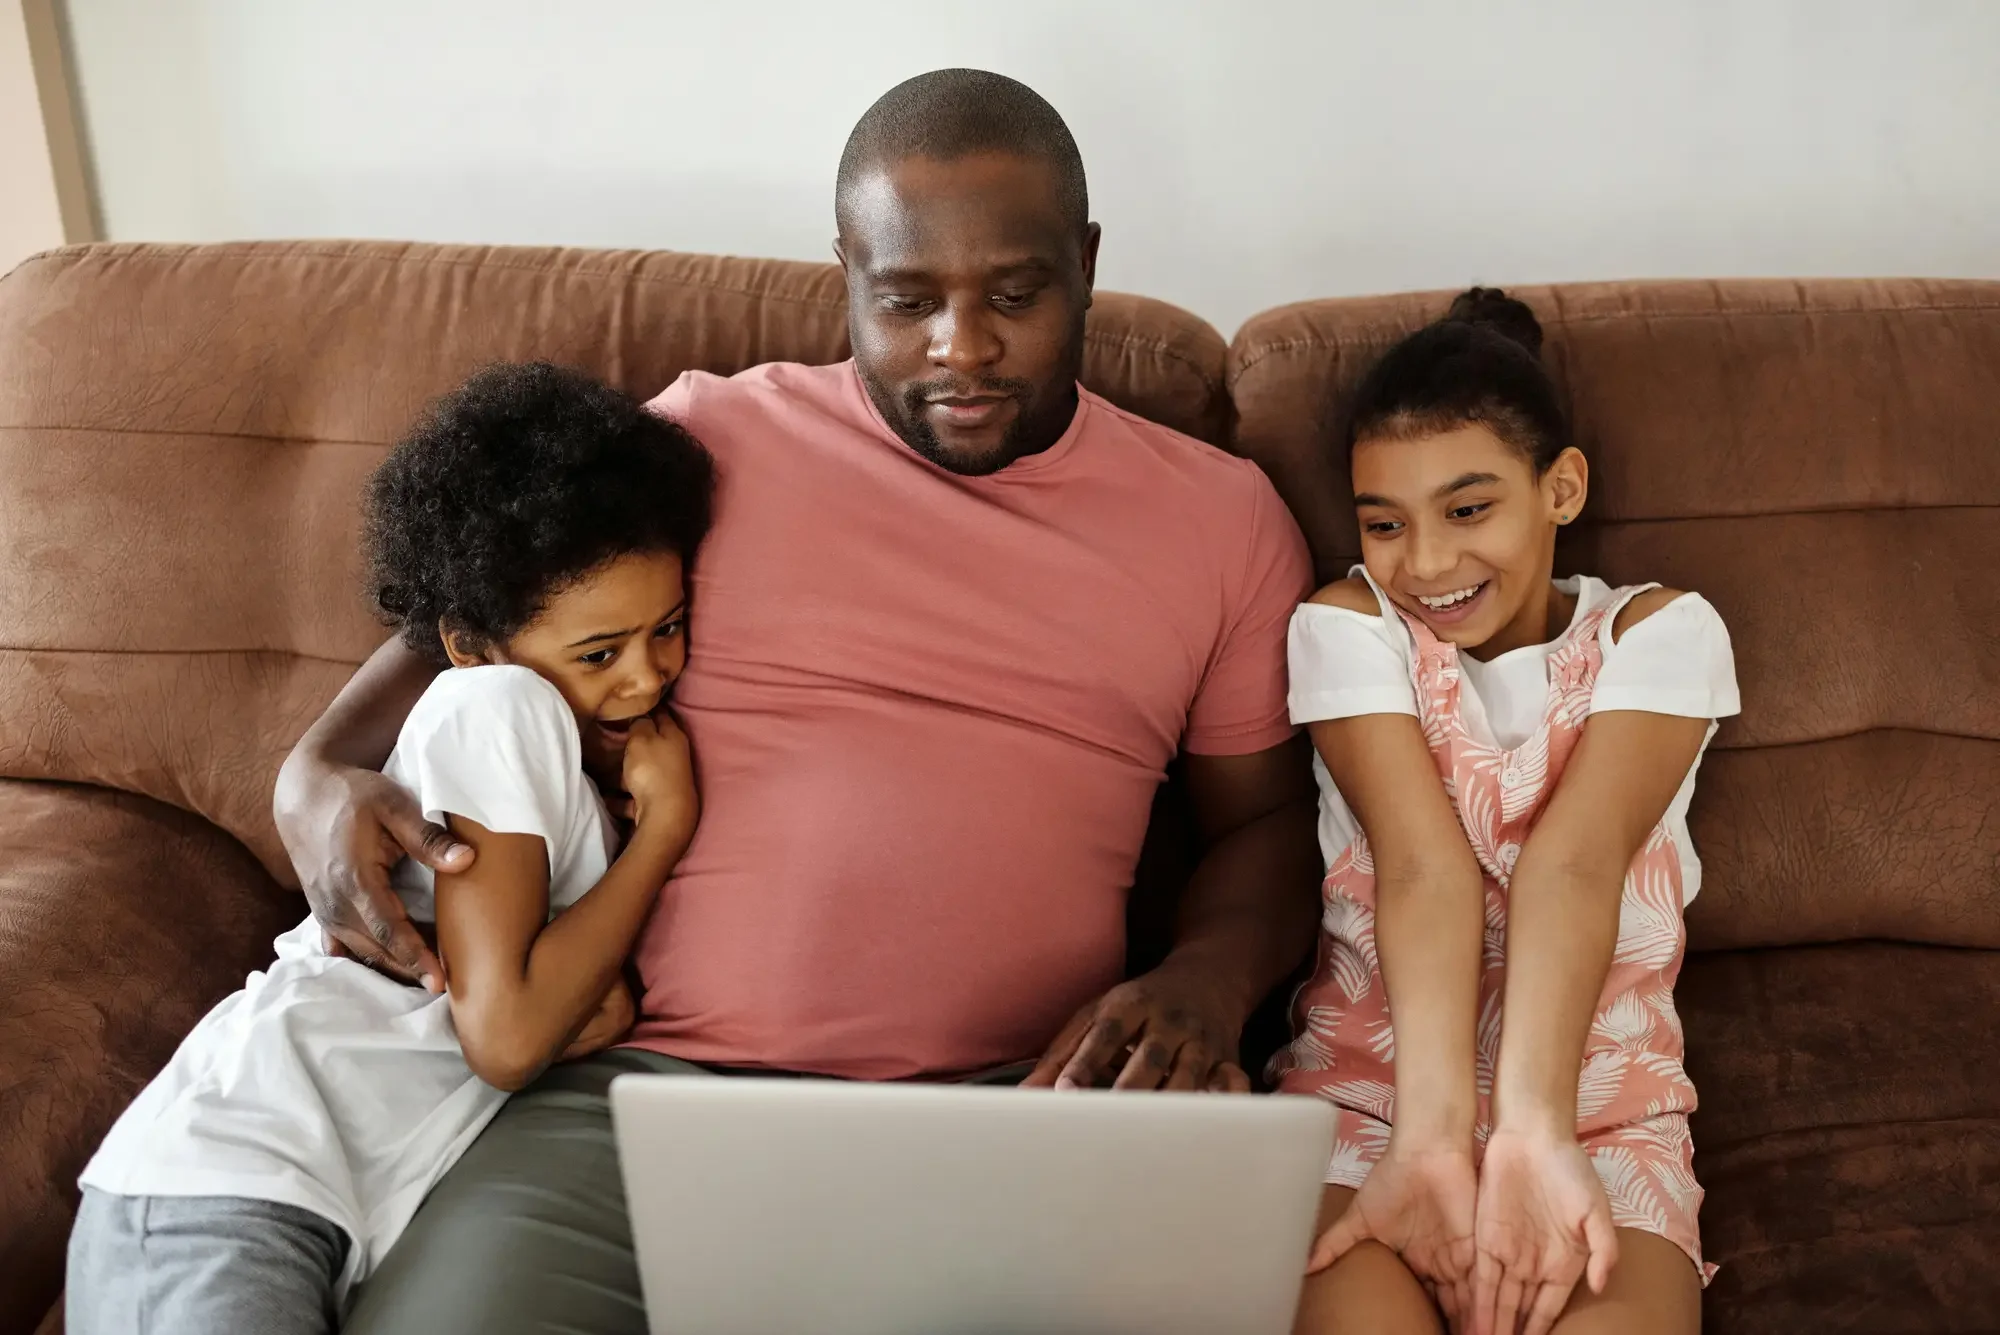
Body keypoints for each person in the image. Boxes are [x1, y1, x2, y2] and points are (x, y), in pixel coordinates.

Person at [275, 69, 1321, 1334]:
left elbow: (1265, 824)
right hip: (633, 1104)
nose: (963, 348)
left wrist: (1207, 979)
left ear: (1085, 263)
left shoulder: (1216, 518)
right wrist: (317, 767)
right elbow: (474, 617)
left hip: (1027, 1106)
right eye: (906, 301)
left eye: (1015, 293)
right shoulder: (707, 440)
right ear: (844, 274)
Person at [65, 363, 716, 1333]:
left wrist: (579, 994)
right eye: (599, 652)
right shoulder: (498, 707)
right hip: (228, 1181)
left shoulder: (549, 758)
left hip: (331, 1211)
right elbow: (506, 1040)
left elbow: (548, 1011)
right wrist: (660, 837)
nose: (648, 677)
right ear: (471, 645)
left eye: (666, 629)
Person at [1276, 289, 1738, 1335]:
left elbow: (1572, 864)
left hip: (1596, 1119)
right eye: (1383, 523)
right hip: (1372, 1108)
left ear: (1559, 488)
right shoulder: (1346, 624)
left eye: (1467, 508)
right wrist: (1433, 1142)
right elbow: (1422, 867)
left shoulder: (1661, 634)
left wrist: (1532, 1134)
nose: (1426, 563)